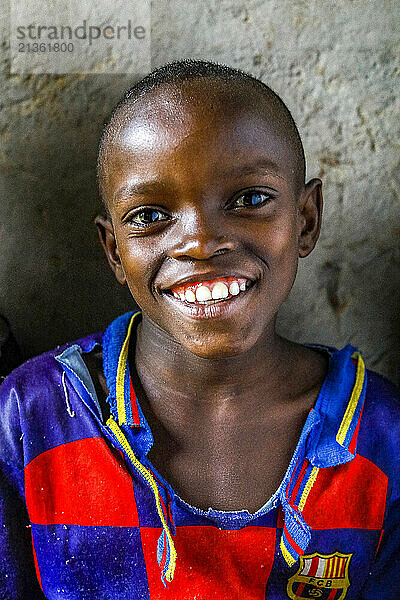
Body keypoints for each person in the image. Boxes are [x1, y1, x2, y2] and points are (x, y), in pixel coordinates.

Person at [0, 60, 399, 600]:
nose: (201, 243)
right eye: (149, 216)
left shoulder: (381, 437)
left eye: (251, 199)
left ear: (306, 220)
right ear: (114, 251)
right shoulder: (33, 418)